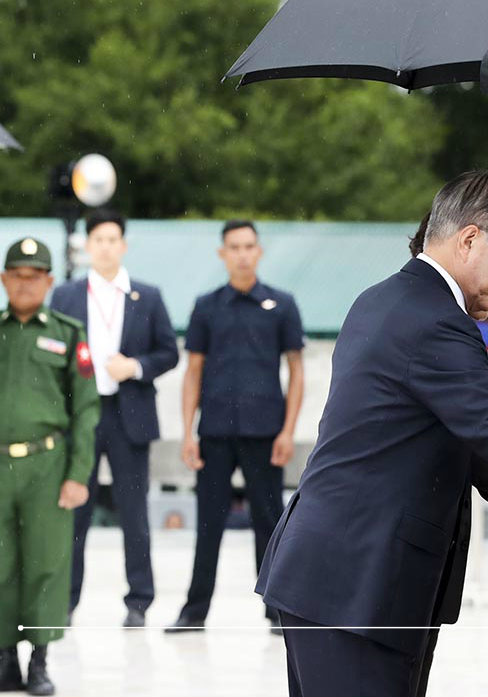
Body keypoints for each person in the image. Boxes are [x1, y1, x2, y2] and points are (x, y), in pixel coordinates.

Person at [259, 170, 488, 697]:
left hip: (339, 577)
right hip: (358, 584)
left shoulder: (389, 299)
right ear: (470, 239)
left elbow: (457, 444)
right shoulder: (436, 322)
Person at [167, 220, 305, 633]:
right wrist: (187, 431)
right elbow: (193, 371)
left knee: (270, 522)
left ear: (259, 252)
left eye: (249, 246)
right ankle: (194, 611)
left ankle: (277, 610)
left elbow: (296, 370)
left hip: (266, 432)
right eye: (234, 247)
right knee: (208, 523)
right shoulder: (206, 306)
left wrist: (288, 431)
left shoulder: (281, 305)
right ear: (222, 254)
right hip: (214, 433)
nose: (242, 254)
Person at [50, 209, 179, 628]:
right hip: (81, 416)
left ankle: (139, 600)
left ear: (123, 245)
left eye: (113, 239)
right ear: (88, 247)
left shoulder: (148, 294)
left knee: (134, 512)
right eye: (98, 240)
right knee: (74, 511)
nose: (105, 246)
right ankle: (65, 600)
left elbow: (168, 352)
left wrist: (136, 367)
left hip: (129, 415)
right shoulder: (67, 295)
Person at [0, 237, 99, 695]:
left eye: (33, 275)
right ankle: (4, 659)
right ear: (4, 280)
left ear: (49, 282)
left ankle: (39, 661)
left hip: (47, 464)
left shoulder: (68, 333)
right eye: (16, 275)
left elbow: (86, 408)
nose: (24, 284)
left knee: (45, 563)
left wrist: (78, 474)